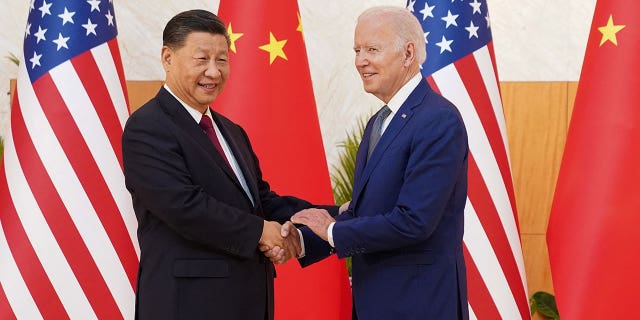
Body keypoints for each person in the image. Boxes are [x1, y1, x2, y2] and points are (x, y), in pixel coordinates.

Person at [122, 9, 326, 320]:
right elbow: (184, 207)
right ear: (167, 58)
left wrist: (330, 218)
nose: (214, 72)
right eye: (201, 59)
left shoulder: (231, 131)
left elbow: (260, 200)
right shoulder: (147, 127)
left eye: (222, 59)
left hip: (248, 302)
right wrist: (261, 232)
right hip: (187, 306)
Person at [289, 6, 470, 320]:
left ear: (408, 53)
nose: (360, 61)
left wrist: (331, 231)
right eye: (357, 50)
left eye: (372, 49)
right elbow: (367, 213)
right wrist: (305, 240)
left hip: (420, 305)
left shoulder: (438, 119)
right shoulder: (378, 123)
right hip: (378, 303)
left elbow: (414, 221)